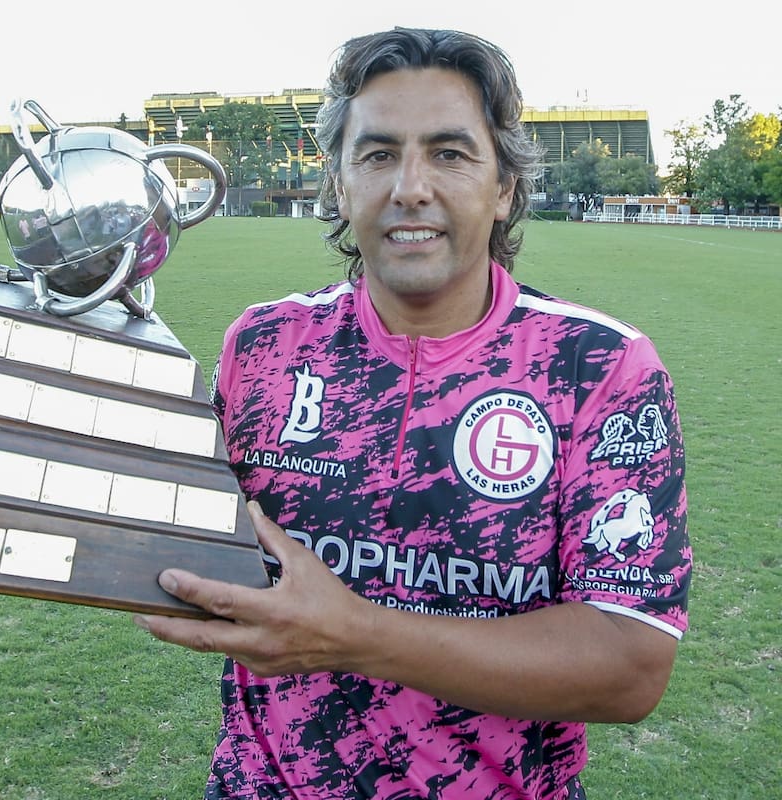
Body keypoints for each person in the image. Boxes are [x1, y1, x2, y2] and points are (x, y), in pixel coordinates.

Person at [134, 27, 690, 800]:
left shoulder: (599, 365)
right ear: (338, 183)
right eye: (377, 154)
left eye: (449, 153)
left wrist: (356, 635)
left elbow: (629, 668)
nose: (410, 187)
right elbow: (185, 540)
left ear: (504, 187)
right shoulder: (263, 344)